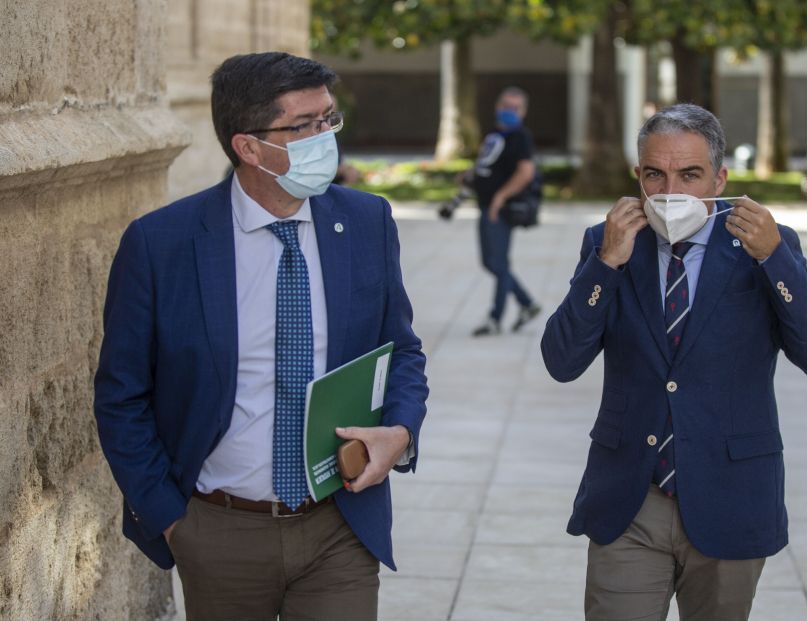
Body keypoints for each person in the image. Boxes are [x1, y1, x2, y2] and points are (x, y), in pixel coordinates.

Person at [94, 52, 428, 621]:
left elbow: (402, 352)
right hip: (218, 530)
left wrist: (400, 429)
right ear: (248, 147)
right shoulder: (161, 244)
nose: (325, 137)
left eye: (329, 119)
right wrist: (173, 519)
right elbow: (121, 395)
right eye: (304, 126)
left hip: (339, 522)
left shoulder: (367, 221)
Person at [541, 103, 807, 621]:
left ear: (721, 178)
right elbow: (561, 360)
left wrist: (775, 259)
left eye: (690, 174)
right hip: (631, 498)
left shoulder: (765, 244)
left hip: (731, 494)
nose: (670, 190)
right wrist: (605, 264)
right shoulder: (608, 242)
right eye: (655, 174)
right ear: (638, 175)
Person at [470, 86, 541, 336]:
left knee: (497, 263)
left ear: (523, 112)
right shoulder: (494, 133)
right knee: (492, 263)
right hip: (487, 205)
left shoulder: (520, 137)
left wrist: (500, 197)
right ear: (497, 106)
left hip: (500, 209)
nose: (509, 111)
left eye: (515, 108)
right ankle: (527, 304)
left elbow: (526, 172)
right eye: (505, 106)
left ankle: (495, 318)